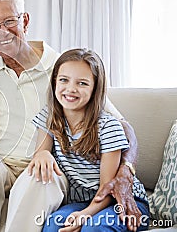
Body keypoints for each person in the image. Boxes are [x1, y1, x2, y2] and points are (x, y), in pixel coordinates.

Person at [0, 0, 142, 232]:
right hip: (0, 165)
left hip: (47, 167)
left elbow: (122, 126)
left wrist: (127, 170)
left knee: (39, 175)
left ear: (24, 21)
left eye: (10, 21)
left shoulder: (65, 72)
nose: (3, 31)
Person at [31, 48, 149, 231]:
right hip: (81, 200)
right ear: (54, 81)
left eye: (82, 83)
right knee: (53, 225)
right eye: (64, 80)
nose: (71, 89)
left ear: (95, 88)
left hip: (120, 200)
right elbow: (41, 153)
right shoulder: (49, 117)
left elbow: (108, 188)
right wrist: (42, 154)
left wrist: (86, 215)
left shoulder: (108, 127)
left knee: (93, 228)